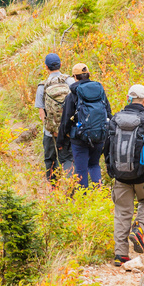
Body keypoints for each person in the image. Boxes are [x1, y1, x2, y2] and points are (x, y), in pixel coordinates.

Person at [104, 84, 144, 266]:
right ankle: (139, 228)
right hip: (143, 176)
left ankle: (121, 255)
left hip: (120, 176)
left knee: (122, 213)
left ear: (128, 98)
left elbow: (107, 147)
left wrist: (111, 169)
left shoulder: (115, 119)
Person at [58, 63, 112, 189]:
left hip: (79, 138)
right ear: (89, 75)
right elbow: (108, 113)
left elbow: (65, 120)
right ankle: (99, 195)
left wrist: (60, 141)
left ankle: (84, 199)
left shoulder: (73, 95)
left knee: (81, 169)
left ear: (75, 77)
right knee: (94, 165)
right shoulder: (100, 91)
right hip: (99, 134)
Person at [34, 53, 74, 182]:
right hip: (69, 129)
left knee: (50, 159)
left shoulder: (42, 86)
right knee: (68, 158)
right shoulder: (69, 81)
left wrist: (49, 127)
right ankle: (72, 187)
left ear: (46, 67)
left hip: (51, 131)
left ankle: (53, 187)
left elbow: (41, 111)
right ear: (61, 64)